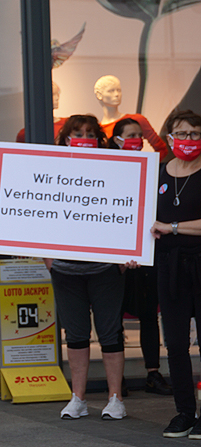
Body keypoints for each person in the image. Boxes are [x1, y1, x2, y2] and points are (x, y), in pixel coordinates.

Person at [50, 114, 136, 421]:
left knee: (110, 334)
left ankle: (115, 399)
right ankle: (79, 398)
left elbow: (130, 207)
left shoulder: (115, 170)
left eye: (90, 134)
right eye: (78, 133)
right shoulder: (51, 170)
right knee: (75, 335)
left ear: (99, 139)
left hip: (105, 270)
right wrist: (48, 259)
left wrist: (126, 256)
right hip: (65, 270)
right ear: (66, 139)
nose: (84, 138)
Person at [109, 118, 173, 396]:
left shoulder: (154, 169)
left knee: (149, 313)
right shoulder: (106, 169)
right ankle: (117, 376)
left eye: (139, 135)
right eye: (130, 135)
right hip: (116, 256)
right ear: (117, 140)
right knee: (114, 317)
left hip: (148, 251)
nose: (136, 139)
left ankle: (152, 373)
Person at [151, 110, 201, 438]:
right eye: (182, 134)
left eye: (195, 134)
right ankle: (184, 412)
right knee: (176, 344)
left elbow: (164, 225)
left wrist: (172, 227)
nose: (188, 140)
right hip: (169, 268)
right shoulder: (157, 174)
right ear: (170, 138)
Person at [94, 75, 167, 157]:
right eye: (111, 91)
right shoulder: (97, 129)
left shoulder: (137, 120)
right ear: (99, 95)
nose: (117, 94)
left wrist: (149, 164)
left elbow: (161, 148)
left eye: (118, 90)